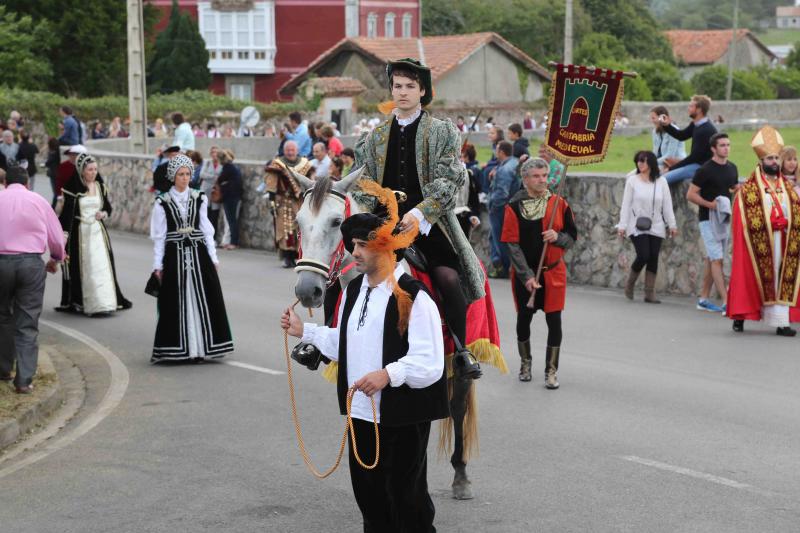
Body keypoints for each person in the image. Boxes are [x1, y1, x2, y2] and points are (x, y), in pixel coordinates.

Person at [282, 204, 447, 533]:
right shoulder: (354, 290)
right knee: (370, 499)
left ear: (385, 247)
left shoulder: (414, 296)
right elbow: (347, 343)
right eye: (353, 245)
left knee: (407, 499)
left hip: (401, 416)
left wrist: (388, 375)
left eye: (361, 245)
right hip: (361, 412)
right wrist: (305, 332)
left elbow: (430, 362)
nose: (353, 252)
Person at [355, 57, 486, 381]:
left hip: (428, 222)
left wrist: (419, 213)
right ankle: (330, 342)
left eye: (410, 86)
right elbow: (362, 181)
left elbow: (449, 179)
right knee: (342, 273)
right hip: (384, 223)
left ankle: (460, 350)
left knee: (448, 278)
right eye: (397, 86)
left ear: (422, 91)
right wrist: (373, 210)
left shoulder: (442, 132)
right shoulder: (374, 137)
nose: (402, 92)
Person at [501, 157, 577, 387]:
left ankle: (551, 371)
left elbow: (572, 236)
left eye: (544, 175)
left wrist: (558, 237)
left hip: (553, 273)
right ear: (525, 179)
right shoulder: (514, 206)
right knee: (524, 319)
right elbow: (512, 244)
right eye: (536, 176)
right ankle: (525, 363)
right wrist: (527, 276)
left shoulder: (558, 203)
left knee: (554, 321)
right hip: (526, 275)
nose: (542, 180)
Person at [150, 154, 234, 361]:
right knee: (175, 300)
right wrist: (157, 265)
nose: (185, 178)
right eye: (181, 174)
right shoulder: (162, 202)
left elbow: (207, 231)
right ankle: (182, 349)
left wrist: (213, 257)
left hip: (199, 255)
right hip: (174, 256)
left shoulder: (199, 198)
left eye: (188, 174)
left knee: (205, 298)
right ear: (173, 176)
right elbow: (159, 237)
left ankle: (203, 348)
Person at [727, 126, 800, 336]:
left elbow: (795, 210)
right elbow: (742, 217)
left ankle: (781, 323)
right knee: (750, 277)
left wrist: (787, 222)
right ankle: (741, 316)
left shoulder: (786, 187)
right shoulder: (748, 190)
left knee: (780, 279)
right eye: (770, 158)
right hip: (758, 242)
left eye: (776, 158)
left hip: (782, 241)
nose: (774, 162)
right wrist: (768, 223)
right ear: (761, 161)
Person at [0, 167, 66, 393]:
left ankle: (3, 369)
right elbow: (56, 236)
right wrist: (56, 258)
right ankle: (24, 380)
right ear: (27, 183)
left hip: (1, 263)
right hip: (30, 263)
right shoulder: (38, 200)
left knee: (2, 316)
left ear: (6, 182)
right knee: (27, 320)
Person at [56, 154, 132, 316]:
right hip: (80, 234)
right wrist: (64, 236)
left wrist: (103, 214)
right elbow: (67, 214)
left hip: (98, 233)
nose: (94, 173)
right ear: (81, 171)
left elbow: (108, 208)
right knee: (85, 268)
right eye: (90, 170)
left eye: (95, 169)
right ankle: (87, 302)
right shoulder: (73, 188)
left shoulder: (99, 186)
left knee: (102, 266)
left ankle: (105, 302)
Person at [687, 133, 738, 313]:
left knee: (712, 259)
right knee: (717, 259)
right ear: (713, 149)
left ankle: (703, 299)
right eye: (722, 145)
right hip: (707, 220)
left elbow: (732, 187)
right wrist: (710, 205)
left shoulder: (732, 168)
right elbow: (690, 194)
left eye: (728, 144)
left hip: (724, 219)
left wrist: (739, 188)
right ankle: (726, 301)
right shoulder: (705, 170)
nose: (726, 148)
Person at [617, 151, 678, 303]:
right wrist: (622, 226)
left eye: (643, 161)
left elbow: (667, 205)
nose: (640, 164)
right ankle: (630, 283)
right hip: (636, 224)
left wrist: (672, 224)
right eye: (638, 161)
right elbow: (626, 205)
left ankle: (649, 294)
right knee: (644, 255)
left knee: (653, 257)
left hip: (656, 224)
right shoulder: (632, 181)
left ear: (651, 163)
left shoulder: (661, 182)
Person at [264, 140, 313, 267]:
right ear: (284, 151)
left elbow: (311, 183)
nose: (290, 152)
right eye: (288, 150)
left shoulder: (305, 164)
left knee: (300, 228)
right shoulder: (277, 164)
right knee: (285, 230)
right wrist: (272, 203)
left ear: (297, 150)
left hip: (300, 202)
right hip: (283, 202)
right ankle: (287, 257)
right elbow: (271, 185)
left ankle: (299, 256)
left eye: (292, 150)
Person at [660, 95, 717, 185]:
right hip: (695, 164)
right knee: (658, 176)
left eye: (691, 106)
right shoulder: (696, 124)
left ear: (699, 110)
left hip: (702, 167)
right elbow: (681, 136)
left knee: (662, 180)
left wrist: (671, 169)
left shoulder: (706, 130)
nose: (688, 108)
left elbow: (694, 158)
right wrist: (667, 125)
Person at [487, 141, 518, 278]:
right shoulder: (512, 163)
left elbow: (502, 193)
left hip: (500, 209)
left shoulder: (505, 169)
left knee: (499, 239)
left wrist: (493, 207)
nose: (495, 152)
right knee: (496, 238)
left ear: (501, 152)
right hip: (508, 207)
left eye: (497, 150)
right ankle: (499, 266)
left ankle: (503, 269)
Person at [217, 149, 242, 250]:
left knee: (231, 220)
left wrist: (223, 184)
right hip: (233, 196)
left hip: (230, 197)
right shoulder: (232, 167)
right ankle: (232, 241)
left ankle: (234, 242)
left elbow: (220, 180)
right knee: (231, 220)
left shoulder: (228, 168)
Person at [650, 106, 686, 172]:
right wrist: (649, 160)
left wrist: (652, 162)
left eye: (653, 118)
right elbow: (655, 151)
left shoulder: (674, 131)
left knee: (648, 173)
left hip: (674, 164)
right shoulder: (655, 131)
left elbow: (670, 155)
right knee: (632, 174)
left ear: (661, 117)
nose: (652, 121)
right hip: (660, 163)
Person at [198, 146, 223, 233]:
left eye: (216, 152)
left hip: (216, 192)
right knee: (205, 214)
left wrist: (209, 177)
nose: (214, 154)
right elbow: (201, 174)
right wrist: (214, 177)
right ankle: (204, 234)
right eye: (213, 152)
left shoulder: (222, 163)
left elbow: (222, 176)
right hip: (206, 191)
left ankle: (213, 236)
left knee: (215, 215)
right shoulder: (207, 163)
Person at [480, 127, 504, 195]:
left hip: (501, 164)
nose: (489, 135)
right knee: (483, 169)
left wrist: (487, 164)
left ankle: (486, 192)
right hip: (496, 163)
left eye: (492, 133)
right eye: (489, 133)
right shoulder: (494, 145)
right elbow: (493, 158)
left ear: (499, 135)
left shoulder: (500, 145)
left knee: (487, 170)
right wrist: (487, 163)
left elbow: (499, 160)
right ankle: (482, 189)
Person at [45, 137, 61, 207]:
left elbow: (48, 163)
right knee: (57, 192)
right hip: (58, 174)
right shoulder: (58, 152)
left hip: (53, 174)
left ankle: (53, 207)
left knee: (55, 192)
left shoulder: (52, 153)